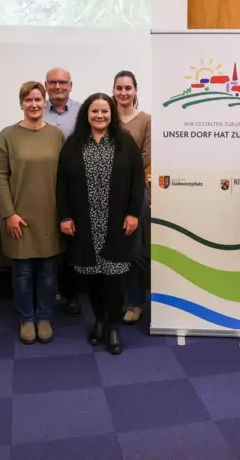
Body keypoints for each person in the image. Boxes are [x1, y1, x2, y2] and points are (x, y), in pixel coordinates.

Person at [57, 93, 145, 355]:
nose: (99, 116)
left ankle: (114, 326)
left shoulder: (125, 142)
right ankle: (99, 320)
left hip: (117, 224)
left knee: (115, 277)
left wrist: (133, 214)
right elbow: (61, 184)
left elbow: (137, 181)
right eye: (94, 111)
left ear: (112, 114)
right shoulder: (73, 144)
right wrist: (64, 216)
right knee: (91, 277)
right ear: (86, 113)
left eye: (105, 111)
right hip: (83, 224)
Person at [0, 81, 65, 345]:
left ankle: (44, 318)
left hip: (50, 213)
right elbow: (0, 177)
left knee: (48, 271)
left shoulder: (57, 135)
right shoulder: (7, 136)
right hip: (19, 215)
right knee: (22, 272)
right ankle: (27, 319)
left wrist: (65, 214)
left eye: (38, 99)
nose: (34, 105)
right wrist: (9, 213)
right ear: (21, 104)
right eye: (28, 100)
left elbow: (65, 178)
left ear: (44, 102)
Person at [43, 67, 83, 317]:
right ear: (45, 85)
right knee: (47, 238)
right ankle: (49, 292)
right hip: (44, 184)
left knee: (72, 243)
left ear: (71, 85)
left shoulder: (82, 112)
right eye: (53, 82)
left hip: (74, 187)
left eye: (63, 82)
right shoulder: (36, 109)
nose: (58, 86)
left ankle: (72, 294)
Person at [113, 70, 151, 324]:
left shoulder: (146, 120)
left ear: (135, 90)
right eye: (119, 88)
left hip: (136, 190)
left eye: (128, 88)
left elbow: (146, 156)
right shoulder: (104, 115)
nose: (124, 92)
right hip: (106, 192)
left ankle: (135, 302)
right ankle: (114, 300)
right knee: (112, 251)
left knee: (136, 250)